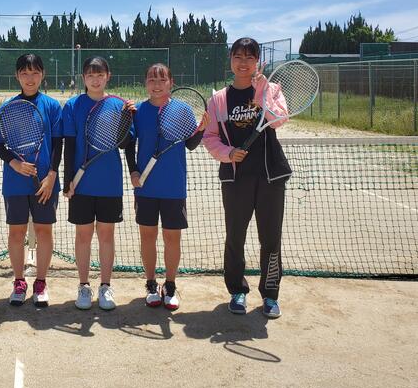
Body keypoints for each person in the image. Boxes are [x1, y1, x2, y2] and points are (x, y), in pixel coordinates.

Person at [202, 37, 290, 319]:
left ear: (257, 62)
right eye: (238, 56)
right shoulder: (218, 99)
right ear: (230, 60)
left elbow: (278, 120)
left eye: (249, 57)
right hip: (236, 178)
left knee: (271, 238)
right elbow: (210, 137)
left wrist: (262, 93)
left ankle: (270, 294)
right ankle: (237, 291)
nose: (243, 62)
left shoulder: (272, 89)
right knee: (235, 237)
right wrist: (228, 153)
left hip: (271, 175)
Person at [125, 63, 207, 311]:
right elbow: (128, 144)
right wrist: (133, 170)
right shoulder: (137, 111)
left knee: (172, 237)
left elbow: (190, 144)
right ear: (145, 83)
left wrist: (201, 129)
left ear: (171, 83)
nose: (157, 84)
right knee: (147, 236)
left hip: (173, 186)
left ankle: (170, 285)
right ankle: (151, 284)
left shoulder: (182, 110)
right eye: (152, 79)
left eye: (162, 80)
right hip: (145, 186)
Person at [63, 56, 133, 311]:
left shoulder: (119, 105)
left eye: (100, 74)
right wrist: (67, 180)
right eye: (90, 75)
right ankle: (83, 286)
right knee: (83, 236)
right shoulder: (73, 105)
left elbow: (125, 144)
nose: (95, 79)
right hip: (81, 185)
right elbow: (69, 145)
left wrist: (126, 118)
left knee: (106, 235)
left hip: (109, 183)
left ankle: (105, 286)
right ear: (84, 78)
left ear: (107, 76)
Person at [0, 53, 62, 307]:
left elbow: (58, 143)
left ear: (42, 74)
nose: (30, 78)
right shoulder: (7, 107)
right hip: (15, 182)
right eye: (24, 73)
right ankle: (19, 282)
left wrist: (51, 175)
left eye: (34, 73)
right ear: (17, 76)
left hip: (45, 184)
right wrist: (15, 163)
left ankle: (41, 282)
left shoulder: (52, 106)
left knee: (44, 231)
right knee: (16, 232)